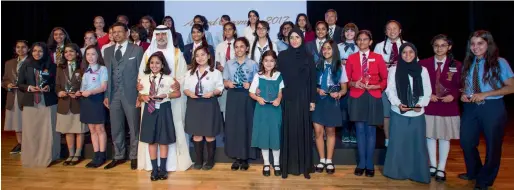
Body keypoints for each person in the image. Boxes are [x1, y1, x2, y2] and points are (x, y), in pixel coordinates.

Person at [458, 30, 514, 190]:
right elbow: (467, 86)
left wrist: (486, 94)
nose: (476, 47)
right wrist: (463, 94)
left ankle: (485, 180)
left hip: (492, 108)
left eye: (480, 43)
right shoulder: (469, 63)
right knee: (466, 141)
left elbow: (511, 87)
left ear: (488, 44)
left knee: (493, 145)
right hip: (470, 107)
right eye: (473, 44)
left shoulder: (500, 62)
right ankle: (474, 171)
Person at [137, 25, 192, 172]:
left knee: (169, 132)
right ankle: (153, 166)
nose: (161, 37)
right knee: (152, 136)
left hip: (171, 102)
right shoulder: (148, 53)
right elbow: (141, 76)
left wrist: (174, 87)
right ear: (155, 36)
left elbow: (182, 74)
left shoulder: (176, 53)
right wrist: (141, 90)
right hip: (150, 103)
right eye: (158, 34)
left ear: (168, 36)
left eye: (164, 34)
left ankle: (171, 165)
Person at [383, 43, 432, 184]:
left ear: (415, 53)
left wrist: (420, 104)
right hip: (399, 112)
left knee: (417, 145)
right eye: (404, 52)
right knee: (398, 143)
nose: (408, 55)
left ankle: (417, 173)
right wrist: (398, 104)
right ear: (400, 54)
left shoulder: (423, 70)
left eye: (411, 52)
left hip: (417, 114)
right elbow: (390, 90)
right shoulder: (393, 70)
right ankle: (396, 172)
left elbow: (427, 90)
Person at [419, 34, 462, 182]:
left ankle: (441, 168)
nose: (439, 48)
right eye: (436, 45)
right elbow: (419, 84)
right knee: (430, 135)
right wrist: (427, 94)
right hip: (430, 105)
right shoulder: (424, 63)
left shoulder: (456, 65)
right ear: (432, 47)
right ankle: (432, 164)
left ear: (449, 47)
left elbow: (460, 86)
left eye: (443, 45)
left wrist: (453, 96)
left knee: (444, 137)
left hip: (448, 107)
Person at [346, 30, 388, 177]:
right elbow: (347, 80)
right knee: (360, 131)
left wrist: (377, 86)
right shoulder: (351, 58)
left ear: (370, 42)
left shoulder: (378, 58)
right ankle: (361, 163)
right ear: (356, 42)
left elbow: (385, 80)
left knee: (371, 131)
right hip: (357, 96)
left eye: (365, 39)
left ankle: (369, 163)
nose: (362, 42)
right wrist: (354, 83)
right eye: (359, 39)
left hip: (373, 95)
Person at [103, 22, 143, 170]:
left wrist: (140, 95)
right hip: (113, 95)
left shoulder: (137, 50)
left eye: (120, 31)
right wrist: (107, 95)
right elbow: (107, 75)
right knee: (116, 127)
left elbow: (141, 74)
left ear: (127, 33)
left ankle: (134, 156)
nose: (117, 34)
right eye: (114, 32)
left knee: (134, 127)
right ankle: (119, 155)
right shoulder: (107, 51)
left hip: (131, 94)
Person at [277, 27, 316, 179]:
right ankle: (288, 166)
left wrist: (313, 100)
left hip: (304, 98)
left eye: (297, 37)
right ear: (288, 39)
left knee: (303, 130)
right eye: (292, 37)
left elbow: (313, 80)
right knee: (289, 131)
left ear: (302, 39)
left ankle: (305, 166)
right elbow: (277, 77)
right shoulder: (282, 56)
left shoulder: (308, 56)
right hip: (287, 98)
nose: (294, 40)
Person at [138, 52, 180, 181]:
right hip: (149, 111)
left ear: (162, 65)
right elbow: (139, 96)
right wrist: (143, 97)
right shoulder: (143, 79)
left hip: (163, 110)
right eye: (152, 63)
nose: (154, 65)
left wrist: (166, 96)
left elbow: (177, 93)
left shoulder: (168, 78)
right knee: (151, 140)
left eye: (157, 63)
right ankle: (154, 169)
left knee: (163, 140)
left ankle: (163, 169)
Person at [17, 42, 60, 167]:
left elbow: (56, 84)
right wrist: (29, 87)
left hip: (47, 103)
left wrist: (49, 87)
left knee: (48, 131)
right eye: (35, 50)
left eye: (40, 51)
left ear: (45, 52)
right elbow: (20, 84)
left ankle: (49, 157)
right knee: (31, 132)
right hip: (30, 103)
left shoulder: (51, 66)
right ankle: (31, 157)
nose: (37, 53)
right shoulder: (26, 65)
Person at [184, 46, 224, 171]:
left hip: (209, 104)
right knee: (196, 134)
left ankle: (210, 161)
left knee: (209, 134)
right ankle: (199, 160)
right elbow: (185, 88)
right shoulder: (190, 73)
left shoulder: (215, 72)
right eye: (197, 56)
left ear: (208, 56)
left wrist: (212, 93)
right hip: (194, 104)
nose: (200, 58)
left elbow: (220, 88)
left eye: (202, 55)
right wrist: (190, 94)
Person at [312, 40, 348, 175]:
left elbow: (344, 89)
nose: (326, 51)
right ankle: (321, 159)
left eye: (329, 48)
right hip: (319, 101)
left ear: (334, 50)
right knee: (318, 132)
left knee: (331, 132)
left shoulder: (340, 67)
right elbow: (312, 84)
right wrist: (317, 90)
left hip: (332, 102)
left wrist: (339, 93)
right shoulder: (317, 65)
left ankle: (329, 160)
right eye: (324, 49)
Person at [223, 37, 259, 171]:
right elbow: (225, 81)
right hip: (233, 96)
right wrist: (228, 83)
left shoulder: (252, 64)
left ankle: (245, 157)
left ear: (247, 48)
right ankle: (236, 157)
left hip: (247, 96)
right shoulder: (229, 64)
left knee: (246, 124)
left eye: (242, 46)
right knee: (234, 125)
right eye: (236, 47)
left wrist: (250, 85)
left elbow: (257, 83)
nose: (239, 49)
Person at [249, 50, 283, 177]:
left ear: (275, 62)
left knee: (275, 136)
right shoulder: (258, 76)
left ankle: (277, 163)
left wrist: (279, 99)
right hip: (262, 110)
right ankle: (266, 163)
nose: (269, 63)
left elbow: (280, 91)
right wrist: (258, 98)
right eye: (266, 60)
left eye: (272, 61)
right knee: (264, 137)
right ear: (262, 62)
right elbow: (251, 92)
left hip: (275, 110)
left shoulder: (279, 75)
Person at [373, 20, 407, 147]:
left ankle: (399, 139)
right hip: (385, 85)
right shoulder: (379, 46)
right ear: (385, 32)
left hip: (402, 85)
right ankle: (387, 140)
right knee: (386, 114)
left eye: (395, 28)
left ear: (400, 31)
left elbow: (415, 64)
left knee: (400, 112)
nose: (392, 31)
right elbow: (374, 66)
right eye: (389, 29)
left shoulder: (407, 45)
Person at [55, 43, 88, 166]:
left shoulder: (83, 67)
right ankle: (71, 154)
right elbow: (57, 85)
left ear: (77, 53)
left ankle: (78, 154)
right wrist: (59, 92)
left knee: (79, 130)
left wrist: (80, 92)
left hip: (78, 102)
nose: (68, 54)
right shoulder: (60, 67)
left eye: (71, 51)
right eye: (66, 52)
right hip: (64, 102)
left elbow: (87, 84)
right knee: (68, 130)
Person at [79, 45, 108, 168]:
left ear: (98, 55)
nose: (90, 57)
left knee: (100, 129)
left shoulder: (102, 69)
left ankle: (102, 155)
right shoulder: (85, 70)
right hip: (86, 101)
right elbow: (83, 87)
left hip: (97, 100)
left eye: (93, 54)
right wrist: (79, 92)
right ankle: (95, 155)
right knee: (92, 130)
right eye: (88, 54)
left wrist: (91, 92)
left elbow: (103, 87)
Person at [2, 40, 28, 154]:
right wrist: (7, 84)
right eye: (18, 47)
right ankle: (20, 143)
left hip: (27, 96)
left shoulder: (32, 62)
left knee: (27, 121)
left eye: (23, 47)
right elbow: (4, 80)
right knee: (17, 122)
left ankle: (29, 144)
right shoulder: (9, 63)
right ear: (15, 49)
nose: (20, 49)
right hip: (13, 95)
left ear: (28, 49)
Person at [337, 23, 359, 144]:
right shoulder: (338, 46)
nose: (349, 33)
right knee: (344, 108)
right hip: (342, 81)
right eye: (347, 31)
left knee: (354, 108)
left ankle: (354, 131)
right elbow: (333, 60)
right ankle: (345, 130)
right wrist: (341, 62)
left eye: (352, 31)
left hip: (355, 81)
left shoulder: (359, 46)